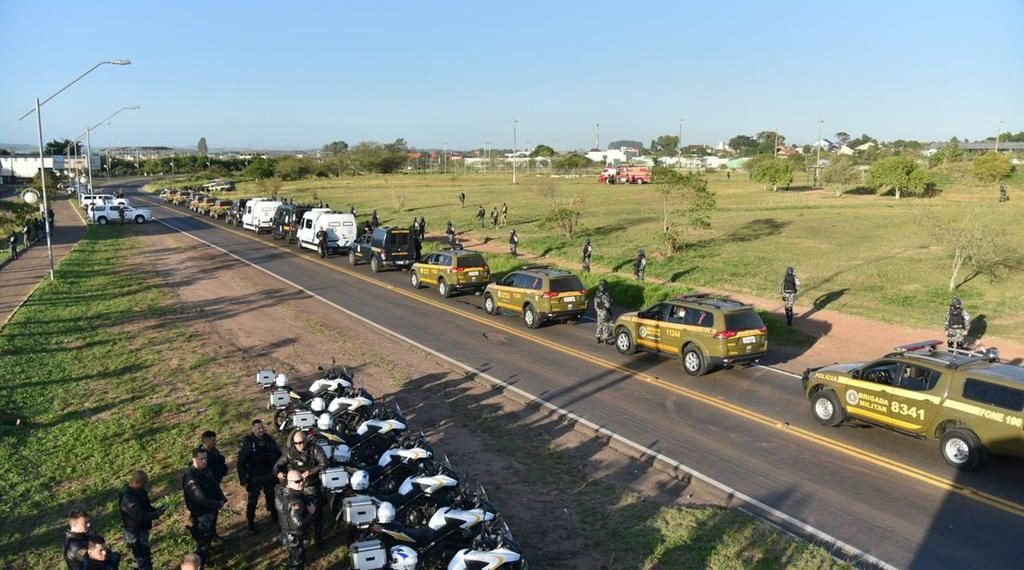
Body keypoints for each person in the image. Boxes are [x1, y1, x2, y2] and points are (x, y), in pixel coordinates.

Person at [274, 430, 328, 546]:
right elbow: (277, 465)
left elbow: (324, 463)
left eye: (301, 442)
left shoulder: (315, 449)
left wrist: (310, 472)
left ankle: (318, 538)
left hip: (311, 485)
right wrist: (278, 473)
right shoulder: (290, 452)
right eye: (296, 443)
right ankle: (298, 538)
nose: (299, 445)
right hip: (295, 488)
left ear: (306, 440)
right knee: (294, 513)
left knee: (317, 513)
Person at [182, 448, 226, 566]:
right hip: (201, 512)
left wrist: (221, 498)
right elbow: (200, 498)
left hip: (211, 509)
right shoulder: (191, 477)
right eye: (201, 459)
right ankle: (201, 561)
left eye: (205, 458)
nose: (204, 461)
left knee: (209, 533)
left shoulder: (205, 470)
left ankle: (207, 554)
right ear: (194, 459)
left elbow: (214, 485)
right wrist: (217, 504)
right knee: (203, 539)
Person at [238, 419, 282, 533]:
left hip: (268, 474)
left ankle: (274, 517)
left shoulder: (269, 440)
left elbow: (279, 455)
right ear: (253, 429)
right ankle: (251, 523)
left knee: (271, 496)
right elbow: (241, 462)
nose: (261, 430)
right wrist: (243, 479)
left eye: (262, 428)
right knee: (252, 501)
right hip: (254, 476)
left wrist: (279, 471)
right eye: (258, 428)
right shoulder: (248, 442)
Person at [118, 470, 166, 570]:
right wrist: (155, 514)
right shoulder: (128, 497)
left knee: (145, 555)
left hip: (142, 529)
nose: (145, 486)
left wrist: (155, 510)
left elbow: (145, 506)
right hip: (134, 532)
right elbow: (139, 515)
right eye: (144, 483)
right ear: (137, 482)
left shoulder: (139, 492)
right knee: (141, 558)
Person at [275, 469, 316, 570]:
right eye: (297, 481)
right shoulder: (295, 502)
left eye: (302, 479)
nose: (301, 483)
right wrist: (311, 513)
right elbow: (298, 524)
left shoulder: (281, 492)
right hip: (294, 536)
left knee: (293, 558)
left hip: (286, 531)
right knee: (297, 562)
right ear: (289, 482)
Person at [594, 279, 613, 344]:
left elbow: (595, 306)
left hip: (598, 312)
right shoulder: (604, 296)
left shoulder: (597, 295)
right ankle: (605, 339)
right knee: (606, 325)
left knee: (599, 324)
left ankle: (598, 336)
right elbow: (608, 306)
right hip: (604, 312)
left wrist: (598, 311)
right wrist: (610, 302)